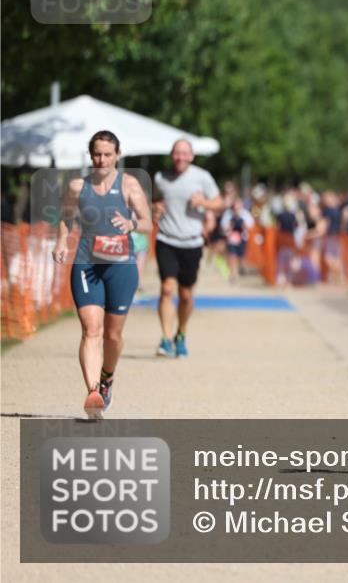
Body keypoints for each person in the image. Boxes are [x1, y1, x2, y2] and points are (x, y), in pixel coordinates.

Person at [52, 130, 152, 418]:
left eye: (108, 154)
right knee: (91, 329)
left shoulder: (129, 184)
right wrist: (61, 241)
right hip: (87, 263)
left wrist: (131, 224)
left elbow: (147, 223)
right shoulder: (76, 186)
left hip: (121, 266)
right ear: (90, 154)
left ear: (118, 155)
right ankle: (93, 392)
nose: (102, 159)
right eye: (97, 153)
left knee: (113, 335)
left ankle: (107, 378)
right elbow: (66, 218)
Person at [152, 139, 224, 358]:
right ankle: (165, 339)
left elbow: (220, 203)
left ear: (192, 156)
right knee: (166, 288)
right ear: (171, 155)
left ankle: (181, 333)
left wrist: (204, 203)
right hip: (166, 239)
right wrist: (155, 207)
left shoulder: (202, 177)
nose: (180, 157)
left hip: (192, 242)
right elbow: (154, 200)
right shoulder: (160, 178)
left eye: (185, 153)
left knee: (185, 295)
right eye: (177, 153)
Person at [220, 198, 254, 284]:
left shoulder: (246, 214)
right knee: (232, 256)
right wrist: (230, 225)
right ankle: (233, 274)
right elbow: (223, 226)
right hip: (232, 239)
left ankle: (242, 269)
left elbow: (251, 226)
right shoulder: (228, 214)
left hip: (243, 238)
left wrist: (243, 224)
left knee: (241, 256)